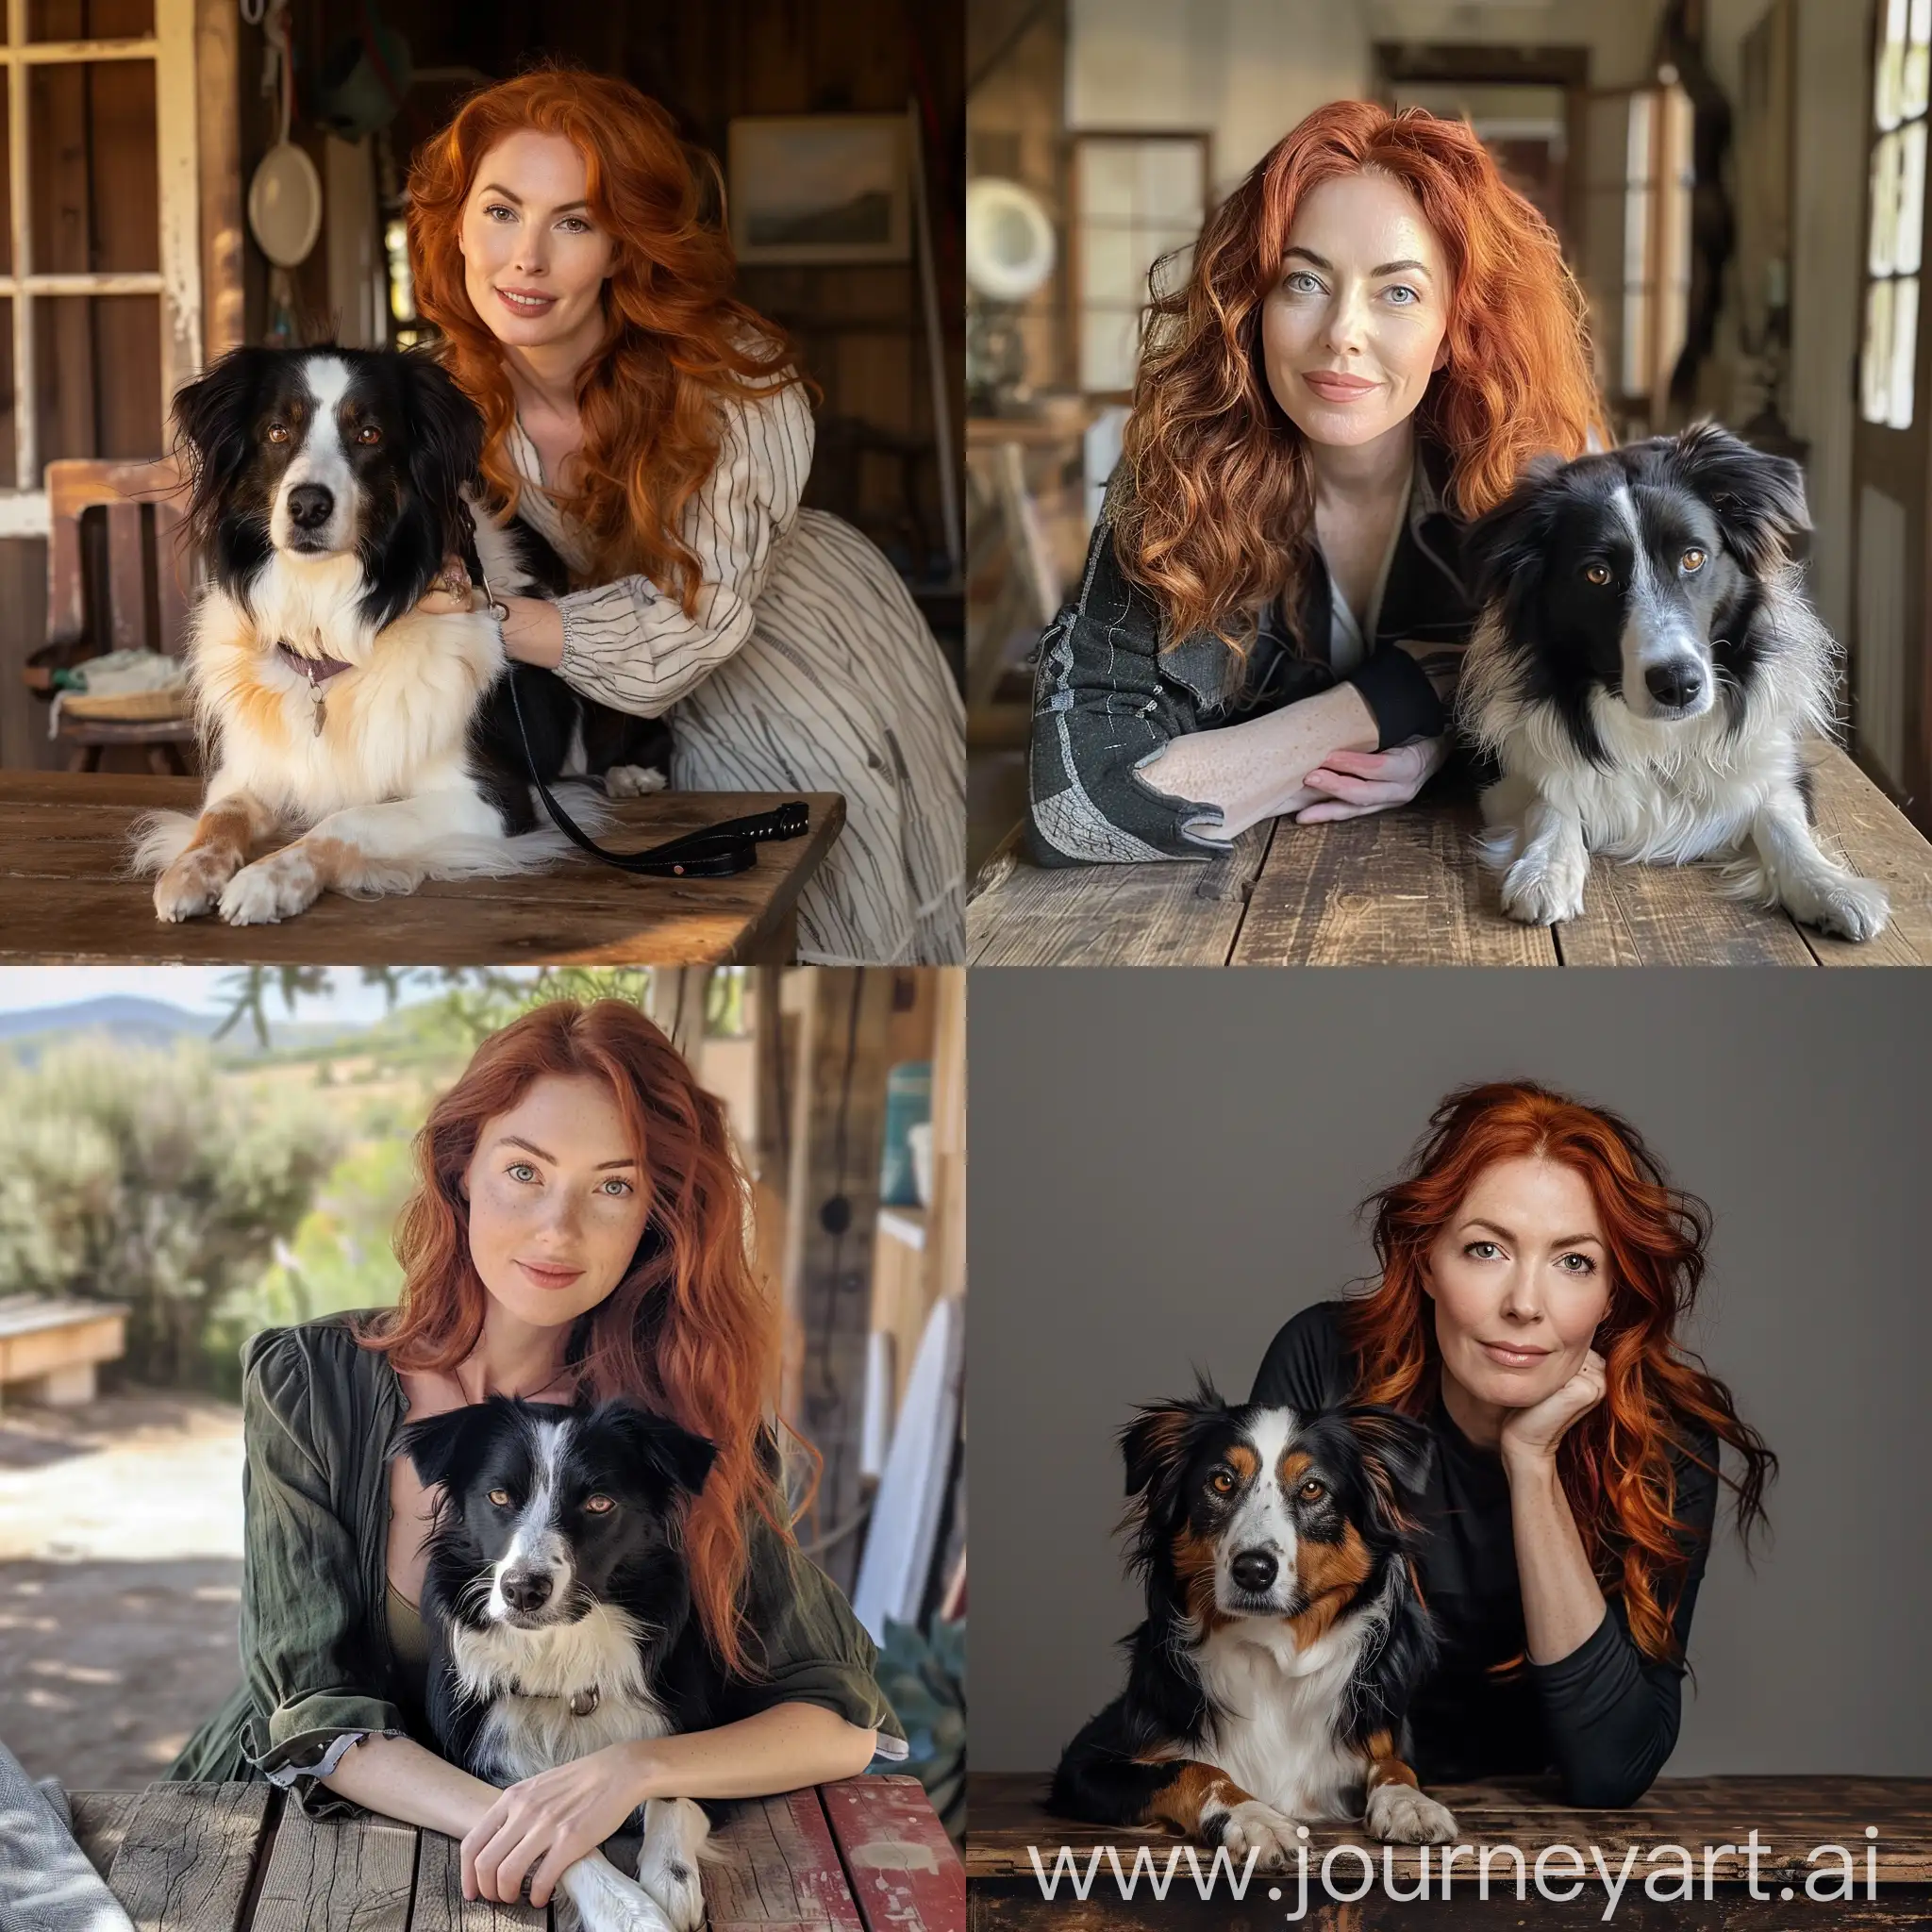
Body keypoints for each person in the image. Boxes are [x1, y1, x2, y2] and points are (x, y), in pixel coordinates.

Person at [172, 999, 903, 1910]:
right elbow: (310, 1708)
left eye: (612, 1186)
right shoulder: (310, 1383)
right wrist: (532, 1818)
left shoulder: (678, 1418)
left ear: (656, 1214)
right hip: (264, 1845)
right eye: (525, 1169)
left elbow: (838, 1720)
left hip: (535, 1869)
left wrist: (629, 1772)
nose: (560, 1230)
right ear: (461, 1171)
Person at [408, 68, 964, 963]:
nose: (526, 259)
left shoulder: (735, 384)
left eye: (575, 222)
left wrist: (484, 619)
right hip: (597, 693)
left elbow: (692, 627)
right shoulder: (438, 391)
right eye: (502, 211)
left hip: (788, 644)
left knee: (814, 913)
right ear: (456, 221)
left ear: (626, 247)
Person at [1028, 101, 1602, 867]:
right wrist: (1395, 700)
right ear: (1252, 306)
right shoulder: (1182, 479)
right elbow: (1072, 805)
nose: (1341, 332)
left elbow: (1606, 724)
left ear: (1450, 333)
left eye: (1398, 292)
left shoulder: (1521, 483)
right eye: (1304, 281)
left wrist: (1439, 756)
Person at [1253, 1081, 1775, 1807]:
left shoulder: (1666, 1441)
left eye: (1573, 1262)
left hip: (1550, 1858)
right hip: (1334, 1815)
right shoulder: (1327, 1367)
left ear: (1614, 1295)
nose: (1525, 1304)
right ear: (1427, 1260)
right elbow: (1251, 1679)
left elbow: (1611, 1768)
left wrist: (1532, 1467)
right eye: (1487, 1249)